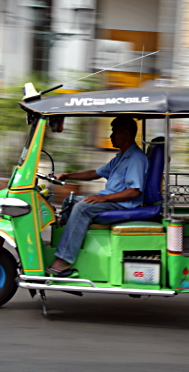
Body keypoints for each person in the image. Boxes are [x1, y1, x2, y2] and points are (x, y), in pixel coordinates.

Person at [46, 116, 149, 277]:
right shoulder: (121, 157)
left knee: (82, 207)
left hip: (123, 205)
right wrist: (67, 175)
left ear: (126, 134)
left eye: (114, 132)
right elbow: (95, 173)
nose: (111, 136)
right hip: (110, 200)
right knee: (70, 201)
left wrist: (104, 198)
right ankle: (66, 242)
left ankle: (63, 262)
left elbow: (134, 191)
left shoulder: (136, 159)